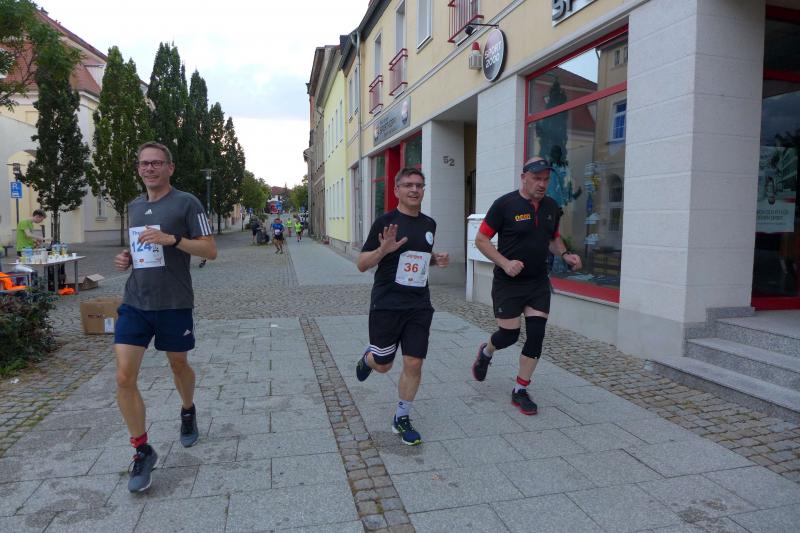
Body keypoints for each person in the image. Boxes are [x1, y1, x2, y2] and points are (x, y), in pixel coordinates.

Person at [113, 141, 217, 492]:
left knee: (178, 365)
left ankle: (187, 410)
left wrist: (172, 239)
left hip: (174, 302)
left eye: (156, 163)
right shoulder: (134, 206)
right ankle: (142, 450)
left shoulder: (187, 203)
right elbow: (139, 247)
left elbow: (210, 250)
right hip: (135, 301)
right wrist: (127, 257)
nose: (149, 168)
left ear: (170, 168)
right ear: (138, 168)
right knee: (124, 376)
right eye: (144, 163)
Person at [471, 157, 582, 415]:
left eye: (546, 179)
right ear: (524, 178)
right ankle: (486, 352)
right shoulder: (504, 205)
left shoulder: (551, 206)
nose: (542, 184)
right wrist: (505, 263)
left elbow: (553, 237)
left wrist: (565, 254)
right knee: (509, 335)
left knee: (536, 334)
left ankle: (520, 389)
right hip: (508, 283)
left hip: (537, 282)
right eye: (536, 179)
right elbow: (481, 240)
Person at [354, 167, 449, 445]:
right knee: (384, 365)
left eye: (419, 185)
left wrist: (435, 260)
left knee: (414, 362)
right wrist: (383, 250)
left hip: (419, 304)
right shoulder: (385, 223)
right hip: (387, 303)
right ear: (396, 190)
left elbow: (419, 258)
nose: (414, 190)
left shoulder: (429, 224)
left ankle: (402, 417)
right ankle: (369, 359)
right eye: (408, 185)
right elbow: (362, 264)